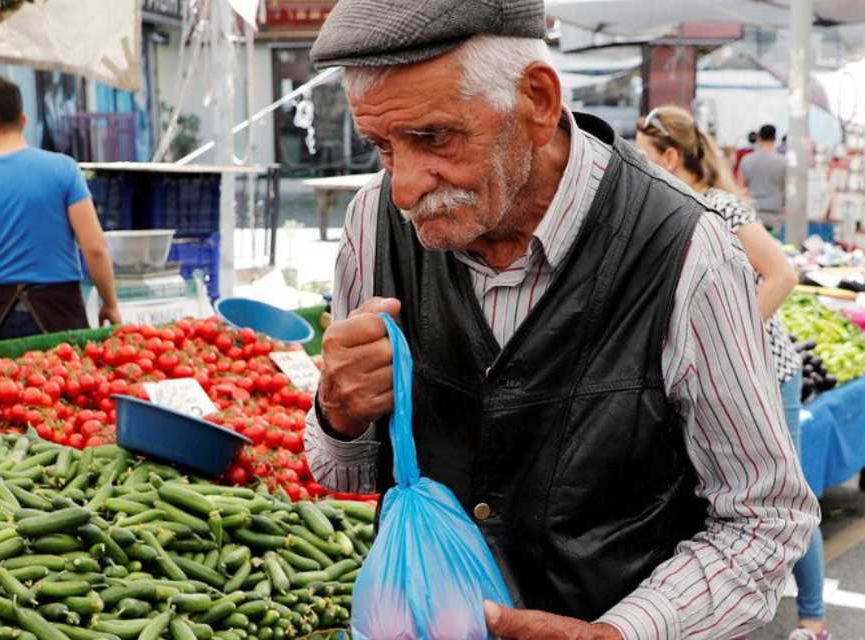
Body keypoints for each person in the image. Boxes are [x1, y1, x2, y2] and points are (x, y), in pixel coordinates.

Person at [304, 0, 819, 638]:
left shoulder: (684, 250)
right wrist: (339, 411)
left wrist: (623, 632)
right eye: (382, 146)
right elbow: (343, 471)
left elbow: (766, 516)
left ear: (539, 102)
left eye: (434, 137)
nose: (405, 187)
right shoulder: (371, 225)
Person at [636, 105, 829, 640]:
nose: (634, 165)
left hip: (769, 372)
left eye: (644, 155)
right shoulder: (672, 207)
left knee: (781, 497)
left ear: (671, 157)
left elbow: (783, 273)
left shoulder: (718, 207)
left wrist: (727, 339)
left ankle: (813, 620)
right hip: (724, 376)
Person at [0, 77, 122, 339]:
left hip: (2, 322)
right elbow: (95, 249)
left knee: (10, 379)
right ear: (23, 120)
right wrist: (110, 303)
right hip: (62, 315)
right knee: (69, 379)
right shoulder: (63, 169)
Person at [740, 124, 787, 231]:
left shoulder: (747, 160)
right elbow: (787, 188)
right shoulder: (783, 161)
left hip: (752, 212)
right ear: (775, 138)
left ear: (759, 138)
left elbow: (741, 187)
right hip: (775, 212)